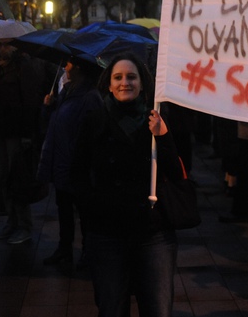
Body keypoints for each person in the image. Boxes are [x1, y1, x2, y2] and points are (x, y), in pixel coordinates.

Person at [72, 53, 184, 317]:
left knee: (158, 308)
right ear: (109, 84)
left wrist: (164, 136)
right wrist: (91, 208)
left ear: (142, 83)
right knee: (112, 308)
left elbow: (178, 172)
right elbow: (77, 172)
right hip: (107, 232)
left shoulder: (156, 120)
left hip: (153, 232)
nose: (125, 83)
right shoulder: (94, 120)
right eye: (118, 77)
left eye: (131, 77)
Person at [37, 56, 103, 267]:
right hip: (62, 164)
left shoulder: (90, 97)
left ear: (79, 68)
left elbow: (93, 133)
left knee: (84, 213)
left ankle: (89, 252)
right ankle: (64, 249)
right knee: (63, 210)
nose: (64, 67)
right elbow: (54, 124)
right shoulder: (67, 91)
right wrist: (48, 107)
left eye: (67, 64)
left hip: (77, 166)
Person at [0, 38, 45, 244]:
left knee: (18, 180)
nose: (3, 48)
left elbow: (30, 102)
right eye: (1, 44)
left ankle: (24, 224)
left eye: (7, 45)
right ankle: (11, 220)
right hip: (0, 131)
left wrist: (27, 134)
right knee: (4, 178)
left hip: (16, 132)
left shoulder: (25, 67)